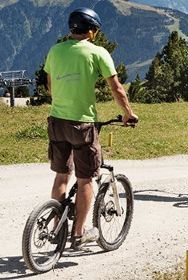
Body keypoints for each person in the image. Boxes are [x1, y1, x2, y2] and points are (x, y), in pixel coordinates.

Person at [44, 7, 138, 249]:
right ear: (93, 31)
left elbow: (50, 87)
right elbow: (117, 88)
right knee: (86, 178)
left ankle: (57, 226)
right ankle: (78, 233)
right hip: (82, 124)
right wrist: (128, 114)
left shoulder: (55, 50)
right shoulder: (98, 53)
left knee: (62, 175)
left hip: (56, 121)